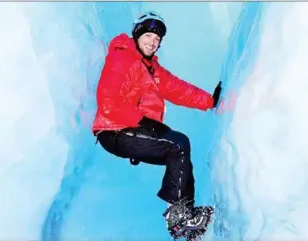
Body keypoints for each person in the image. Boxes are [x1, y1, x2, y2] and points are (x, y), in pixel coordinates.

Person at [91, 11, 221, 240]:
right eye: (149, 35)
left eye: (157, 39)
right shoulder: (124, 58)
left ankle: (186, 213)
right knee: (177, 145)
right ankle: (180, 217)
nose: (153, 42)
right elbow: (108, 101)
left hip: (131, 128)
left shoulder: (151, 68)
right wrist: (143, 121)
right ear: (137, 34)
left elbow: (178, 89)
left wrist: (210, 101)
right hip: (114, 130)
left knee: (180, 150)